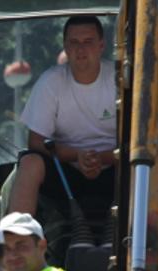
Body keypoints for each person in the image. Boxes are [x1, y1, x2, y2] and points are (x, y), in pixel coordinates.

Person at [7, 15, 117, 217]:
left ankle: (150, 240)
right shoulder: (51, 82)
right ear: (65, 47)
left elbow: (138, 141)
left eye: (88, 42)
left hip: (116, 170)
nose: (81, 49)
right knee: (30, 162)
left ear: (101, 45)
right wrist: (78, 156)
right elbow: (36, 142)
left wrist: (99, 159)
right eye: (74, 42)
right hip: (65, 170)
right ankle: (16, 238)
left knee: (147, 161)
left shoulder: (120, 80)